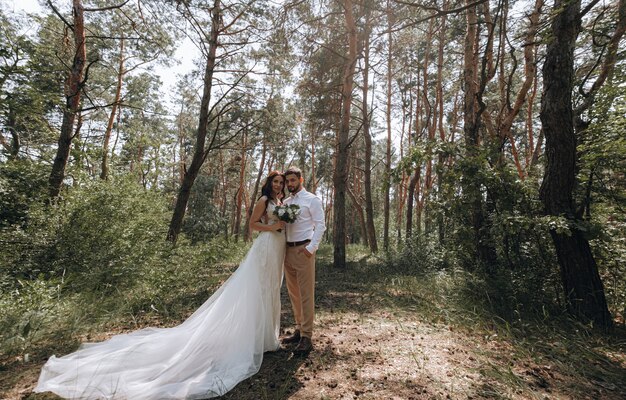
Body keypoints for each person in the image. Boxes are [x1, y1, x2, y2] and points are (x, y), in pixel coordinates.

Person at [34, 171, 287, 399]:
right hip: (264, 249)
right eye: (275, 181)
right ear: (268, 183)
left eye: (281, 182)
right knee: (258, 292)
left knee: (271, 292)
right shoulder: (264, 201)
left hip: (277, 250)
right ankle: (255, 340)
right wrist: (274, 226)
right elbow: (253, 225)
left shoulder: (281, 202)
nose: (278, 185)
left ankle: (266, 338)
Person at [280, 166, 326, 355]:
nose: (290, 184)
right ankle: (299, 329)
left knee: (306, 294)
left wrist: (310, 249)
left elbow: (321, 226)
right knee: (293, 293)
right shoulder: (286, 202)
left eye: (293, 180)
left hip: (304, 249)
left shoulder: (312, 200)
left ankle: (307, 336)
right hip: (288, 251)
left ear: (301, 180)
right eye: (287, 181)